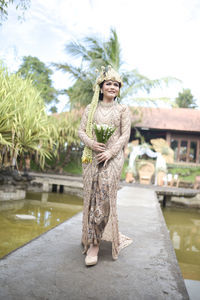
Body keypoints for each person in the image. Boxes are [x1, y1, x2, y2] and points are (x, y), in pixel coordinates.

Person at [78, 66, 132, 266]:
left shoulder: (122, 110)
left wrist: (110, 152)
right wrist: (92, 144)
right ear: (100, 88)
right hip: (92, 158)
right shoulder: (91, 109)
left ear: (119, 89)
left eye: (116, 84)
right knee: (92, 198)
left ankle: (95, 245)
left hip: (113, 158)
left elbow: (125, 135)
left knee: (103, 198)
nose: (112, 87)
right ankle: (90, 236)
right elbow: (81, 131)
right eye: (108, 83)